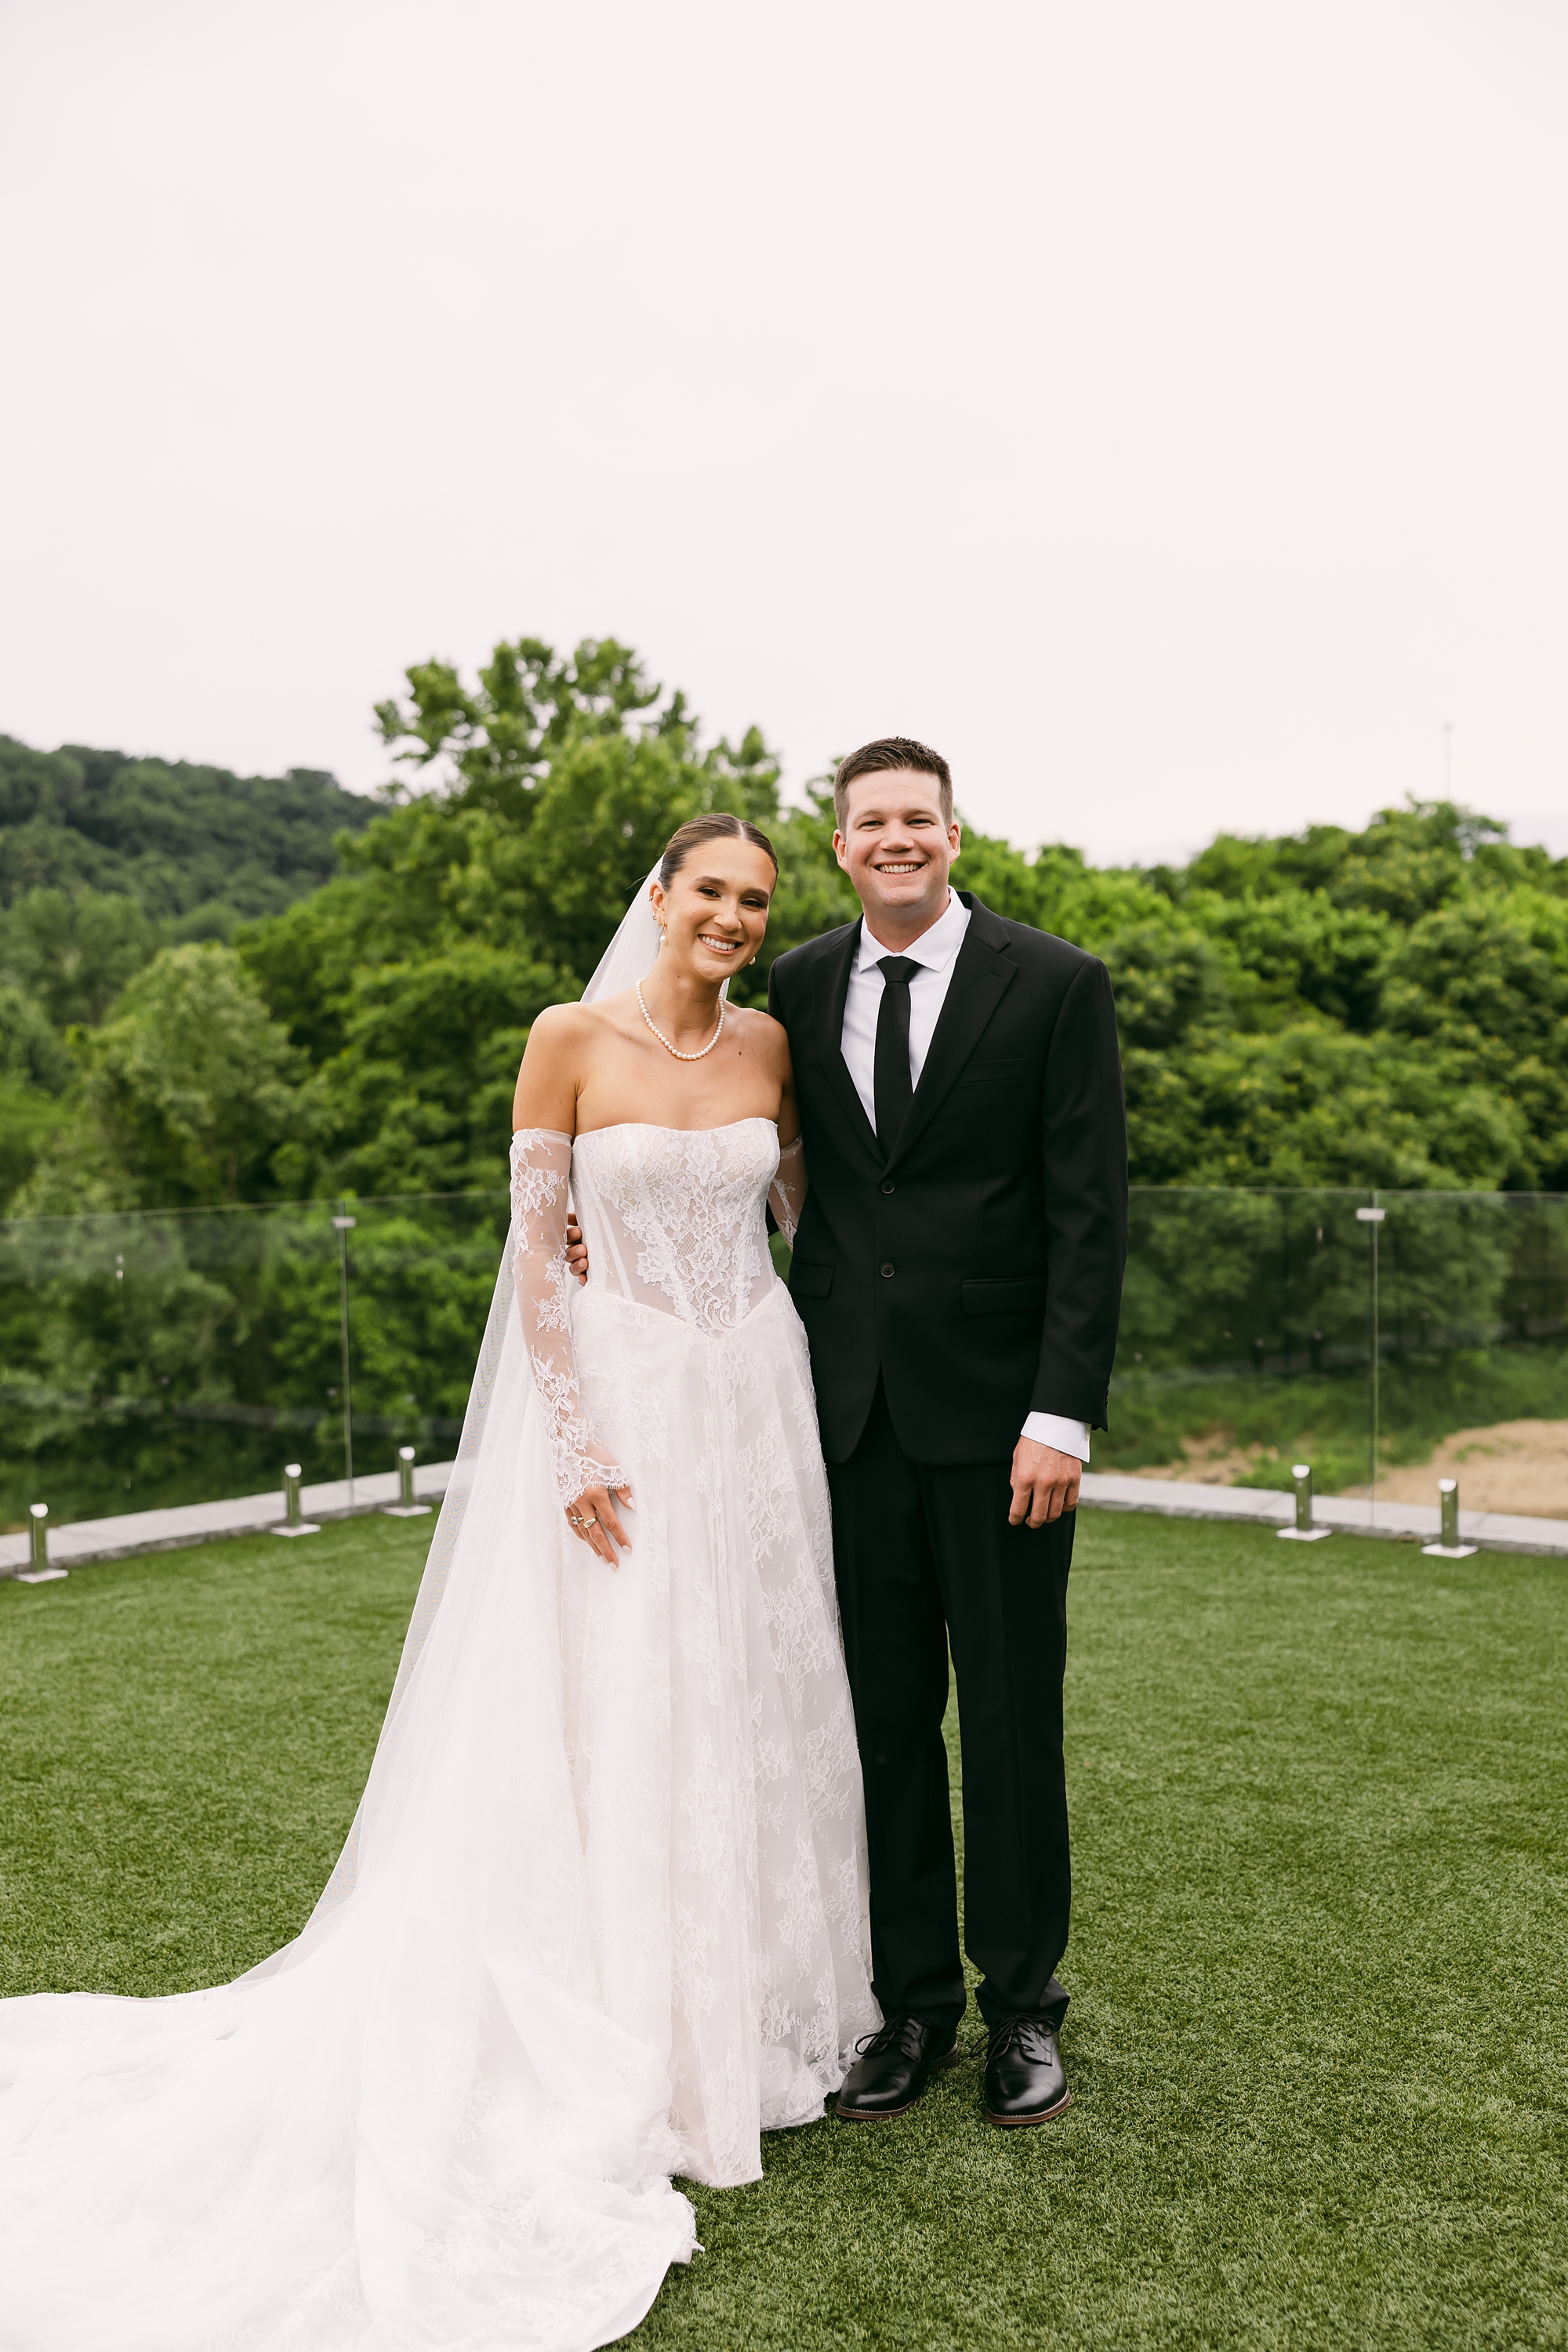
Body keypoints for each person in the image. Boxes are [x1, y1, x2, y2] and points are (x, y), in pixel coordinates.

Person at [0, 812, 877, 2352]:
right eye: (711, 893)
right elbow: (535, 1255)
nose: (733, 918)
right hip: (618, 1412)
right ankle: (627, 2030)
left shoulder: (771, 1053)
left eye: (755, 900)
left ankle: (751, 2023)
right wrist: (576, 1437)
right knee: (622, 1700)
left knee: (756, 1691)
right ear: (659, 897)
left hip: (756, 1397)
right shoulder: (567, 1038)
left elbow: (807, 1214)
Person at [766, 737, 1127, 2131]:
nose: (896, 838)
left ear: (955, 837)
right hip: (843, 1417)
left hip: (1005, 1430)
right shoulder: (795, 984)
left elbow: (1089, 1215)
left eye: (919, 818)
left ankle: (1024, 2008)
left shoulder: (1054, 983)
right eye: (872, 822)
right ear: (843, 844)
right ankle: (909, 2006)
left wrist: (1062, 1413)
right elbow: (760, 1157)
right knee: (882, 1728)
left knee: (1014, 1723)